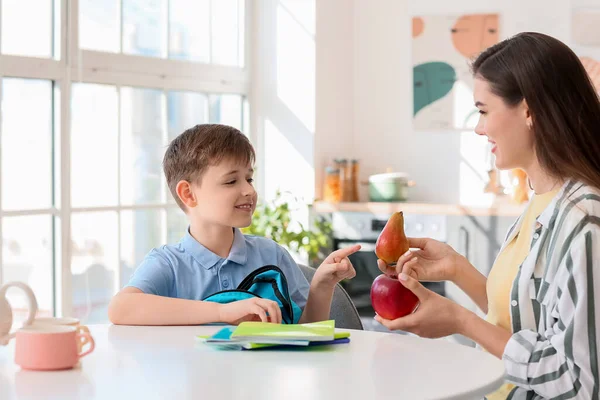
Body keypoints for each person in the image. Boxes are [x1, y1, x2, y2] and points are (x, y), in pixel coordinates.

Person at [376, 32, 600, 399]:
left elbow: (579, 382)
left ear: (529, 111)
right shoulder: (542, 200)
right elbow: (529, 321)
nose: (479, 127)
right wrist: (457, 269)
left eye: (483, 110)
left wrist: (461, 322)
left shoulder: (583, 220)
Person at [108, 124, 360, 326]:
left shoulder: (271, 255)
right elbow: (120, 308)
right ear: (188, 194)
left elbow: (308, 331)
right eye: (231, 182)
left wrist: (322, 286)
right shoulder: (168, 263)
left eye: (249, 178)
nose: (249, 190)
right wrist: (221, 312)